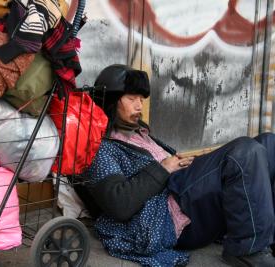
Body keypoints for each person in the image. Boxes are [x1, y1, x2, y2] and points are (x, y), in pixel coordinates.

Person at [79, 64, 275, 266]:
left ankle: (268, 235)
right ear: (111, 102)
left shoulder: (140, 134)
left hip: (186, 191)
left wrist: (193, 163)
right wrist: (164, 167)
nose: (139, 105)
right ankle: (248, 250)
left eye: (141, 99)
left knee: (269, 143)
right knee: (244, 152)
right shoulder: (102, 148)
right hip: (170, 213)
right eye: (131, 99)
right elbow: (118, 203)